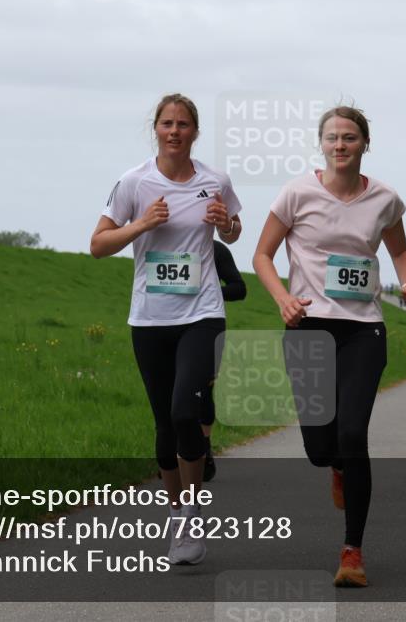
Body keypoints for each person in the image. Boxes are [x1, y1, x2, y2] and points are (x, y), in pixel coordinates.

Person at [252, 105, 406, 588]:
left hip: (362, 328)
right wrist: (283, 299)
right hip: (308, 327)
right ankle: (333, 466)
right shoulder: (297, 192)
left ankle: (353, 550)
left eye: (349, 137)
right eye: (332, 137)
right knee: (319, 446)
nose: (340, 145)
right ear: (321, 144)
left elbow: (400, 252)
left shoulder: (385, 199)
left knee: (353, 435)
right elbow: (262, 253)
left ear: (364, 144)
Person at [90, 93, 242, 566]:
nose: (174, 131)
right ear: (155, 129)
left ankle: (193, 513)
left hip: (202, 313)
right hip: (150, 318)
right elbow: (97, 245)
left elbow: (234, 229)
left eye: (183, 124)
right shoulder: (134, 182)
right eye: (166, 123)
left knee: (184, 411)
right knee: (162, 424)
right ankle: (178, 517)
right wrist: (140, 224)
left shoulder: (215, 180)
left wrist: (227, 224)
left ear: (195, 132)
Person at [200, 240, 247, 482]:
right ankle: (176, 453)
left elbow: (240, 288)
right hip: (164, 326)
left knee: (202, 390)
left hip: (207, 328)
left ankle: (204, 446)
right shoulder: (161, 245)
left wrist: (208, 290)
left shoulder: (216, 249)